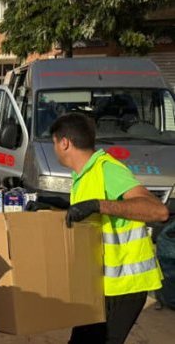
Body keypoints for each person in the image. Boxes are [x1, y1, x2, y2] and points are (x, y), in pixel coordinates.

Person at [41, 113, 168, 343]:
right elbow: (90, 215)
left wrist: (97, 205)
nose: (54, 149)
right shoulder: (83, 175)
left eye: (54, 143)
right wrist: (52, 203)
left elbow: (158, 211)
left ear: (64, 142)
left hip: (124, 285)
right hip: (100, 283)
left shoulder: (108, 169)